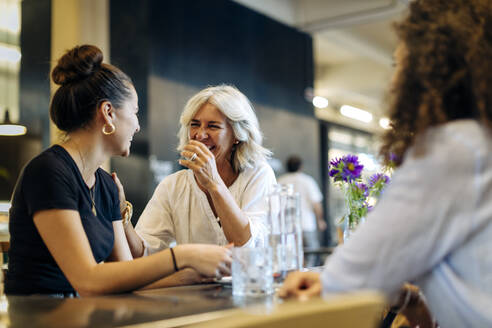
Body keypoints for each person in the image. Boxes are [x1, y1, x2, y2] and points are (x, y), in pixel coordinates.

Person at [280, 0, 492, 327]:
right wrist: (414, 303)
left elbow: (347, 275)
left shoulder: (454, 149)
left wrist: (326, 281)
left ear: (430, 71)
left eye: (400, 66)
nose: (394, 83)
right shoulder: (479, 141)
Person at [5, 45, 231, 296]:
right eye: (134, 112)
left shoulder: (107, 185)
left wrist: (191, 274)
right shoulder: (49, 171)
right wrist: (184, 255)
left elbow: (125, 275)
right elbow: (88, 280)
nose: (137, 126)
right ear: (108, 113)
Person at [122, 85, 276, 258]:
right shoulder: (173, 185)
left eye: (213, 126)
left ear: (237, 135)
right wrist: (121, 214)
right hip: (194, 285)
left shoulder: (258, 175)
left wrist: (214, 183)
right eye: (194, 125)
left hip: (249, 284)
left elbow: (245, 246)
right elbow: (143, 253)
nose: (200, 135)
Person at [278, 155, 326, 266]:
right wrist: (320, 221)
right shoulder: (307, 180)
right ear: (301, 167)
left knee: (290, 258)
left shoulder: (280, 181)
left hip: (286, 227)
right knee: (311, 255)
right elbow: (316, 204)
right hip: (306, 224)